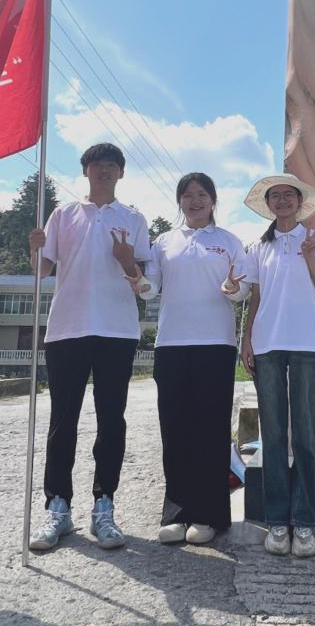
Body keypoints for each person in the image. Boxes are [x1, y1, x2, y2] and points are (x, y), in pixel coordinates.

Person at [27, 142, 152, 551]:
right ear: (85, 170)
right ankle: (58, 507)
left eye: (112, 165)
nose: (104, 171)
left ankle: (104, 506)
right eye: (97, 165)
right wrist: (34, 249)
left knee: (111, 420)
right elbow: (43, 270)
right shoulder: (63, 214)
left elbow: (142, 281)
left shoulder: (133, 218)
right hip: (67, 328)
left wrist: (126, 259)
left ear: (121, 173)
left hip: (117, 329)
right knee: (62, 420)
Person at [127, 172, 249, 545]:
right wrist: (137, 280)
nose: (195, 201)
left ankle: (209, 515)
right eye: (188, 195)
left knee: (211, 430)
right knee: (175, 428)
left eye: (202, 195)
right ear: (180, 201)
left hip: (216, 343)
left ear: (213, 200)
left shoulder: (228, 241)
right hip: (172, 344)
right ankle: (177, 513)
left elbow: (242, 290)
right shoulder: (164, 242)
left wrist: (233, 288)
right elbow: (151, 289)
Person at [240, 173, 315, 558]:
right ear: (269, 205)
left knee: (304, 436)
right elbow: (255, 296)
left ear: (300, 202)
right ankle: (277, 521)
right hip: (267, 344)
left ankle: (305, 521)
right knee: (273, 435)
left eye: (288, 195)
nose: (282, 200)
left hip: (307, 345)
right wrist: (247, 339)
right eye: (275, 196)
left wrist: (310, 256)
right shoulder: (258, 246)